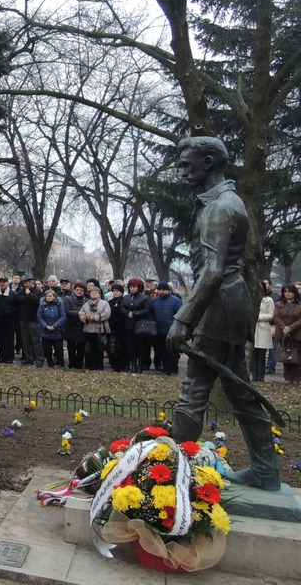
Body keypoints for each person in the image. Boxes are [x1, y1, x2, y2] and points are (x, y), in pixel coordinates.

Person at [166, 136, 279, 489]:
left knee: (195, 388)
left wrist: (183, 318)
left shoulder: (219, 206)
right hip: (227, 302)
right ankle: (265, 469)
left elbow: (213, 270)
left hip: (219, 305)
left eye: (187, 164)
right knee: (241, 391)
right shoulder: (222, 201)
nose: (181, 170)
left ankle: (172, 471)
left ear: (209, 163)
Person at [151, 281, 184, 375]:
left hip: (171, 330)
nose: (161, 292)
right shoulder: (155, 301)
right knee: (163, 351)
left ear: (168, 290)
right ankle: (166, 369)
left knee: (172, 351)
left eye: (163, 290)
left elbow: (180, 315)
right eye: (159, 290)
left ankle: (173, 368)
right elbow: (152, 314)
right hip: (159, 330)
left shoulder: (176, 301)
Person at [120, 278, 152, 373]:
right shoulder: (126, 297)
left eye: (134, 287)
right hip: (128, 325)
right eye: (131, 287)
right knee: (131, 345)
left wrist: (135, 313)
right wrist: (127, 313)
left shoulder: (144, 298)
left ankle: (140, 364)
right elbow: (122, 307)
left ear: (139, 287)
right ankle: (132, 364)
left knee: (140, 345)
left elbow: (147, 310)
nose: (133, 289)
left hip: (140, 325)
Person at [272, 283, 301, 385]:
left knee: (297, 355)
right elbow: (275, 317)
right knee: (285, 355)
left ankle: (297, 378)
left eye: (290, 291)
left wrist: (291, 328)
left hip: (296, 333)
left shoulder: (299, 304)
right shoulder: (278, 304)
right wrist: (284, 327)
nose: (287, 294)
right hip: (283, 333)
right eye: (285, 291)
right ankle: (287, 377)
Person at [80, 284, 111, 371]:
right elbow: (81, 313)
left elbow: (106, 314)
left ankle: (100, 365)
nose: (93, 294)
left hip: (100, 329)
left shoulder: (104, 303)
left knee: (100, 348)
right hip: (89, 329)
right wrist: (85, 319)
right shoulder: (86, 304)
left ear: (99, 294)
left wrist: (95, 318)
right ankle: (93, 365)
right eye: (92, 292)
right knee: (91, 348)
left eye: (95, 292)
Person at [16, 276, 44, 367]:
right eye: (24, 283)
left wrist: (29, 295)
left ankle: (39, 359)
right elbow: (18, 298)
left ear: (32, 283)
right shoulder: (22, 291)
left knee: (36, 341)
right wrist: (25, 296)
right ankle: (29, 358)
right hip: (23, 319)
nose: (25, 285)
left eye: (27, 283)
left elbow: (38, 302)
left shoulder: (38, 291)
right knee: (25, 340)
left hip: (33, 320)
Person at [252, 281, 275, 382]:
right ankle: (254, 374)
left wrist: (258, 317)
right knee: (253, 354)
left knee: (261, 354)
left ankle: (261, 376)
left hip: (263, 327)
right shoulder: (251, 299)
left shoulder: (268, 300)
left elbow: (271, 315)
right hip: (252, 328)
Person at [37, 289, 66, 368]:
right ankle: (50, 363)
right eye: (47, 296)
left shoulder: (59, 305)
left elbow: (63, 316)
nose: (48, 297)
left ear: (54, 297)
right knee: (47, 349)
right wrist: (46, 326)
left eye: (50, 296)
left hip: (57, 330)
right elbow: (39, 317)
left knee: (59, 348)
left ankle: (60, 363)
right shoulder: (42, 305)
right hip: (45, 330)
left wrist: (55, 326)